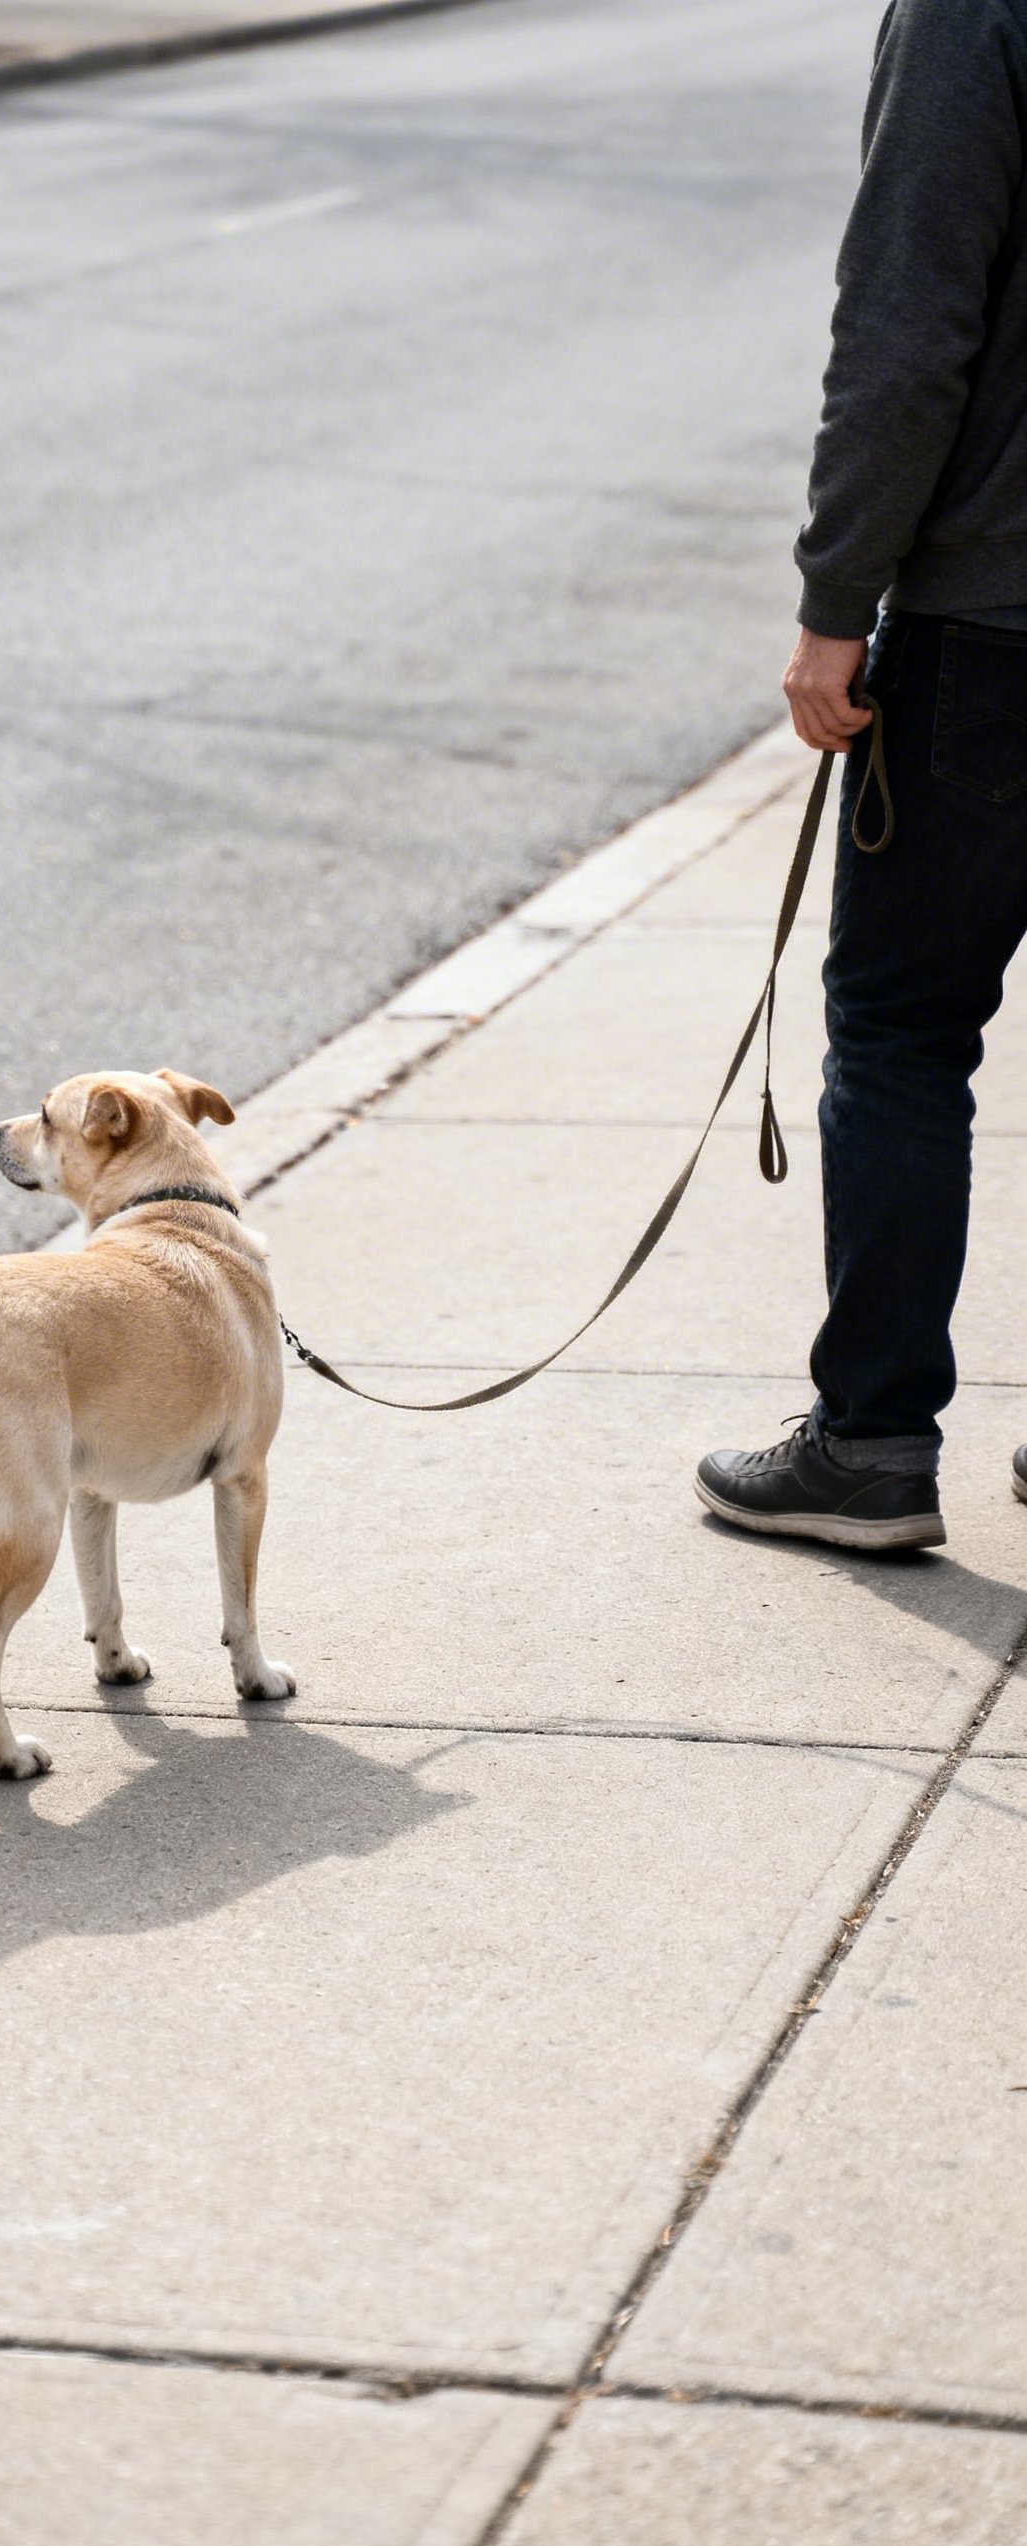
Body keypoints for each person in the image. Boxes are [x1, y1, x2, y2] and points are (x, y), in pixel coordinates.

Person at [696, 0, 1027, 1552]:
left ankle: (876, 1441)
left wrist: (837, 606)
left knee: (899, 1033)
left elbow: (904, 333)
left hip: (994, 627)